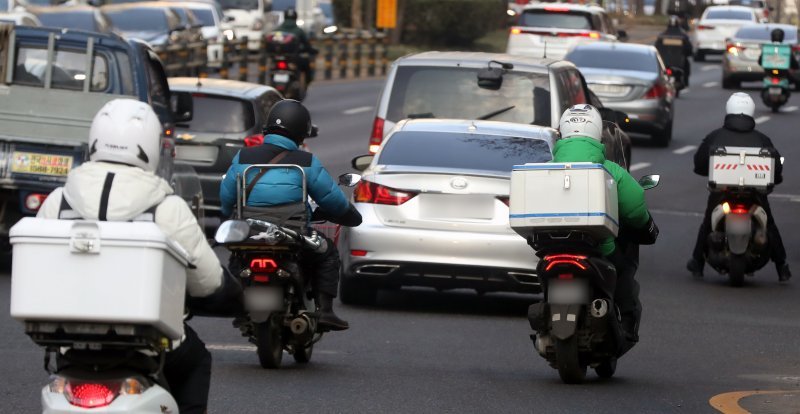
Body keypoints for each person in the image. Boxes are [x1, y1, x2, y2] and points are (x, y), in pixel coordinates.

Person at [37, 99, 242, 414]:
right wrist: (232, 298)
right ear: (152, 146)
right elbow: (208, 281)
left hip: (70, 344)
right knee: (197, 359)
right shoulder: (165, 207)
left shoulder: (57, 201)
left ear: (93, 141)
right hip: (147, 344)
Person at [220, 99, 362, 332]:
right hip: (293, 232)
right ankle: (325, 311)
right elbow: (331, 198)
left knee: (237, 259)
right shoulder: (306, 161)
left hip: (250, 232)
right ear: (301, 131)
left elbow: (226, 196)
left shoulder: (243, 157)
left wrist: (228, 218)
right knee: (327, 254)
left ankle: (240, 306)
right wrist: (350, 216)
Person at [554, 104, 659, 342]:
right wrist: (648, 228)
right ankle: (627, 321)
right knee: (622, 272)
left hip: (548, 248)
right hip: (600, 249)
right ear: (598, 134)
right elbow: (635, 210)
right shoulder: (612, 172)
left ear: (561, 133)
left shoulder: (543, 170)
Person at [687, 92, 790, 281]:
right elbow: (777, 169)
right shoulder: (763, 140)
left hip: (722, 192)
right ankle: (782, 267)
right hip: (755, 194)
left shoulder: (715, 136)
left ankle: (697, 263)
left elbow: (699, 163)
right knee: (771, 225)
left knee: (708, 223)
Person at [271, 8, 318, 84]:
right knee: (306, 66)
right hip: (294, 58)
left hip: (277, 58)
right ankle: (307, 82)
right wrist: (312, 50)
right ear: (295, 18)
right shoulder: (299, 31)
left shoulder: (277, 30)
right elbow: (307, 45)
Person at [654, 15, 693, 87]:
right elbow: (689, 49)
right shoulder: (683, 36)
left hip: (665, 63)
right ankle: (685, 82)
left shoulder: (662, 36)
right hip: (679, 63)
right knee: (687, 65)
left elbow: (656, 49)